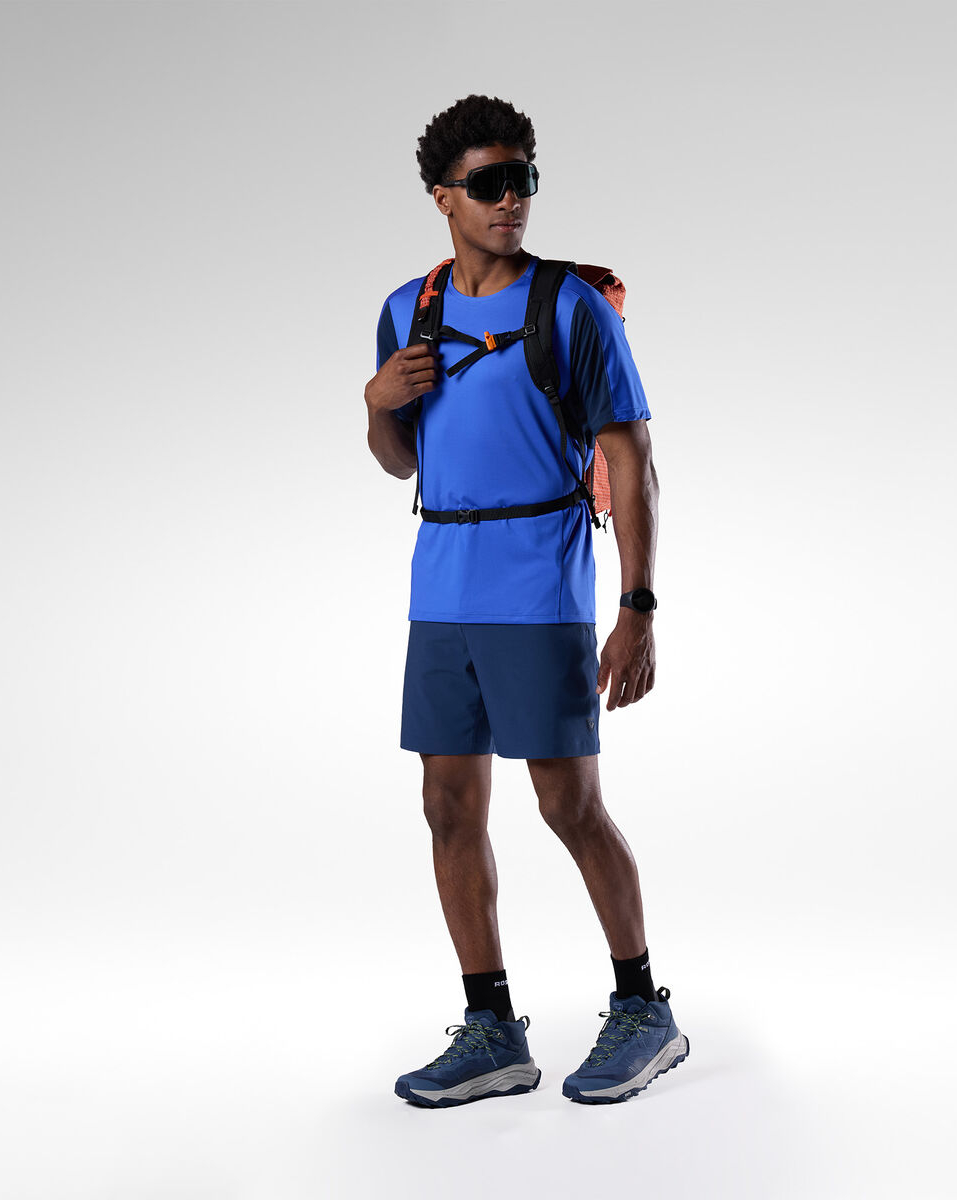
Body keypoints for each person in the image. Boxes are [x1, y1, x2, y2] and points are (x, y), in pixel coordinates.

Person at [363, 94, 687, 1107]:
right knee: (446, 807)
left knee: (567, 804)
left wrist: (636, 606)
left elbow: (632, 461)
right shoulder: (408, 309)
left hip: (539, 589)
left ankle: (643, 1007)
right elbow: (400, 460)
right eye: (490, 184)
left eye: (524, 180)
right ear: (443, 197)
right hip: (440, 589)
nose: (512, 200)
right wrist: (375, 401)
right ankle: (492, 1027)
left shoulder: (572, 308)